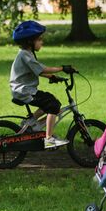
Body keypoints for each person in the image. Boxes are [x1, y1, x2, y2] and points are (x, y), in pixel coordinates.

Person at [10, 20, 75, 149]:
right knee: (53, 105)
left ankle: (31, 123)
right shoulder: (25, 55)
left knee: (48, 101)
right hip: (23, 91)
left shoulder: (26, 54)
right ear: (30, 42)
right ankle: (49, 139)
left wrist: (53, 77)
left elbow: (37, 72)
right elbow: (42, 69)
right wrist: (62, 68)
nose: (42, 42)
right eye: (39, 39)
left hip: (25, 90)